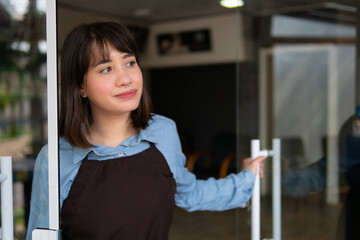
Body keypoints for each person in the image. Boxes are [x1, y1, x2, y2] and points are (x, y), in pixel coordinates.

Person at [26, 21, 266, 240]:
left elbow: (189, 193)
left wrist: (246, 178)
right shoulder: (55, 158)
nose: (126, 78)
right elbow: (42, 235)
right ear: (81, 87)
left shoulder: (163, 132)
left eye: (129, 63)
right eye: (106, 69)